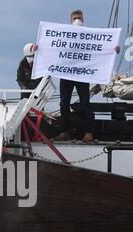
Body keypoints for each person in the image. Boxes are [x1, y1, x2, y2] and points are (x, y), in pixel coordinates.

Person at [57, 10, 120, 142]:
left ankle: (89, 132)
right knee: (64, 103)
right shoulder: (65, 34)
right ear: (70, 20)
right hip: (67, 73)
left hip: (82, 75)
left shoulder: (88, 35)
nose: (77, 20)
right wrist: (38, 48)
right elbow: (54, 47)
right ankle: (64, 131)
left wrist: (113, 49)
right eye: (75, 18)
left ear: (83, 19)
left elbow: (99, 47)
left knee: (85, 104)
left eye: (79, 18)